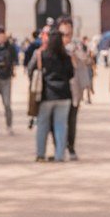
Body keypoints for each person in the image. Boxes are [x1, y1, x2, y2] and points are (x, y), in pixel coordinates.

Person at [34, 29, 74, 162]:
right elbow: (71, 74)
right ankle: (59, 155)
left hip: (47, 94)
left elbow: (32, 70)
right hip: (64, 94)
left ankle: (40, 154)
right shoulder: (66, 57)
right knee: (61, 125)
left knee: (42, 125)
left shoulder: (43, 55)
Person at [58, 17, 92, 160]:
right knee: (58, 119)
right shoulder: (55, 45)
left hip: (74, 88)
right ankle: (59, 147)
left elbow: (87, 60)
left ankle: (70, 147)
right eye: (63, 33)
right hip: (58, 87)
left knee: (71, 118)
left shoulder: (78, 45)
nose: (66, 36)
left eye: (68, 32)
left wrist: (76, 53)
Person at [0, 26, 16, 133]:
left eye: (2, 35)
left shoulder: (10, 47)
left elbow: (14, 60)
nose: (0, 38)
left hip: (6, 79)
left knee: (7, 104)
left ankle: (9, 125)